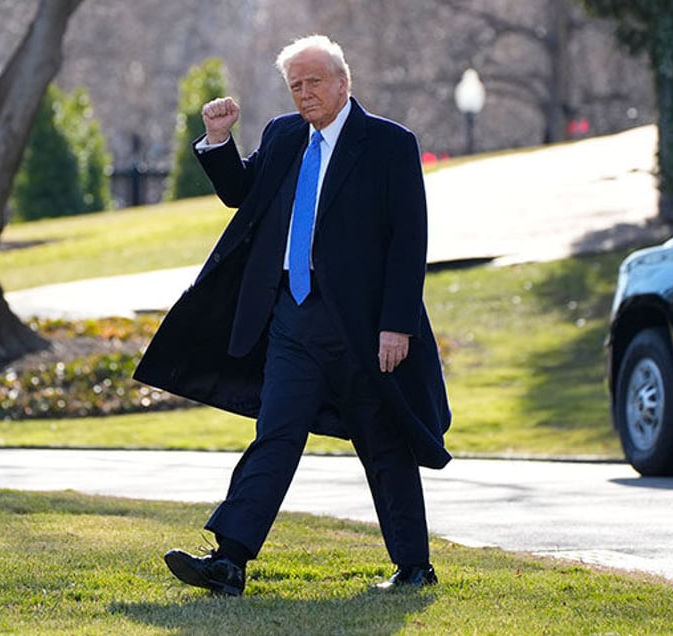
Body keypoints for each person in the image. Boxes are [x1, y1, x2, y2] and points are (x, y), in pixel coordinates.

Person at [133, 34, 451, 596]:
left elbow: (409, 240)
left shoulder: (388, 144)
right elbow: (242, 194)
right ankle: (229, 560)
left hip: (361, 326)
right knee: (275, 434)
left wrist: (396, 323)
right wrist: (218, 140)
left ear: (343, 81)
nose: (305, 94)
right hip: (290, 320)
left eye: (314, 82)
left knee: (382, 442)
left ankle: (413, 566)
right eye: (295, 85)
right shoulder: (283, 135)